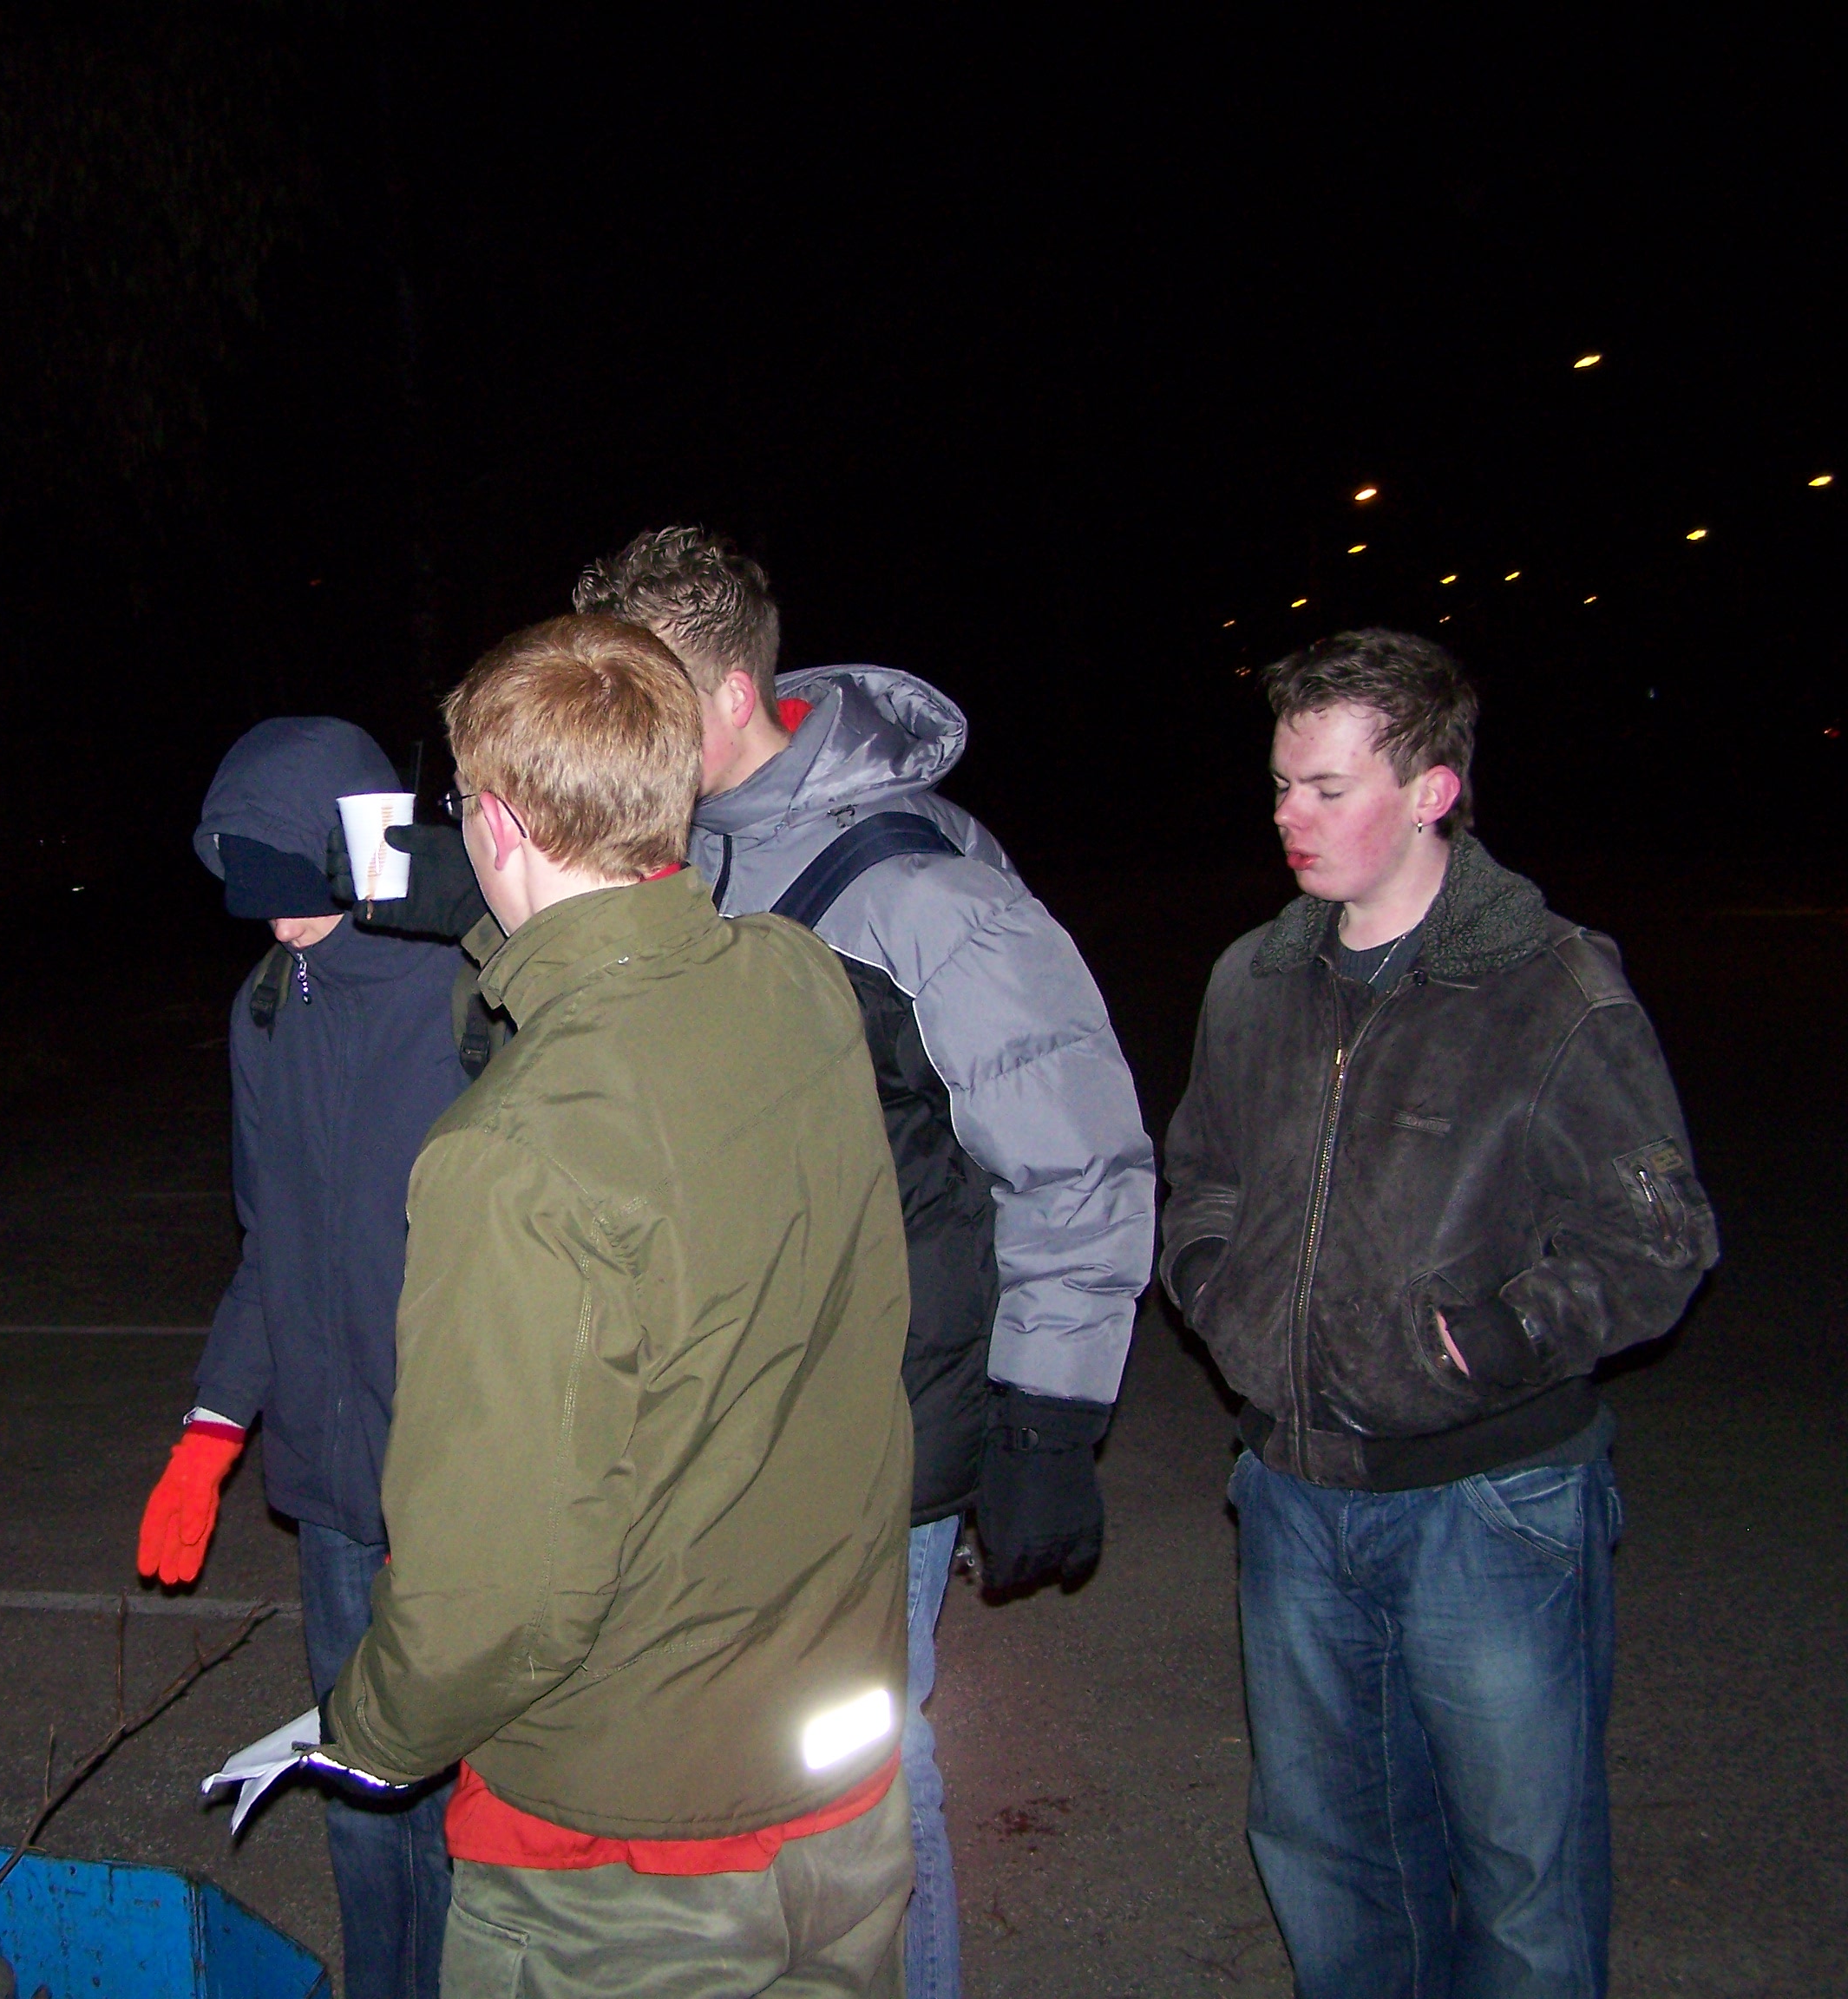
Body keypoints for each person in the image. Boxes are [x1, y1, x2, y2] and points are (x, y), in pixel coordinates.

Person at [574, 525, 1156, 1999]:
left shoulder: (922, 890)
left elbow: (1076, 1155)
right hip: (723, 1407)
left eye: (636, 697)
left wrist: (1049, 1418)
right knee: (742, 1784)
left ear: (728, 694)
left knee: (859, 1787)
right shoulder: (674, 853)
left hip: (874, 1420)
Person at [312, 615, 917, 1997]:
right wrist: (509, 925)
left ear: (496, 823)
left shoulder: (510, 1154)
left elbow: (497, 1588)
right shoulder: (798, 981)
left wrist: (370, 1727)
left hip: (623, 1858)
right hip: (836, 1788)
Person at [1162, 631, 1716, 1997]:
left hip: (1493, 1506)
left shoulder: (1551, 988)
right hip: (1293, 1494)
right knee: (1329, 1855)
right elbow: (1202, 1173)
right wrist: (1216, 1286)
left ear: (1431, 792)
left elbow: (1658, 1238)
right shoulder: (1255, 980)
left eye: (1327, 788)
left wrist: (1496, 1339)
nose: (1291, 816)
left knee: (1521, 1879)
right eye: (1281, 785)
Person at [137, 718, 469, 1999]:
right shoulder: (268, 1008)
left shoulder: (469, 990)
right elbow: (269, 1244)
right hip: (333, 1493)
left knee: (471, 1817)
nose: (273, 923)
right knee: (361, 1801)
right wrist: (213, 1430)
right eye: (249, 892)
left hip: (458, 1483)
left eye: (289, 887)